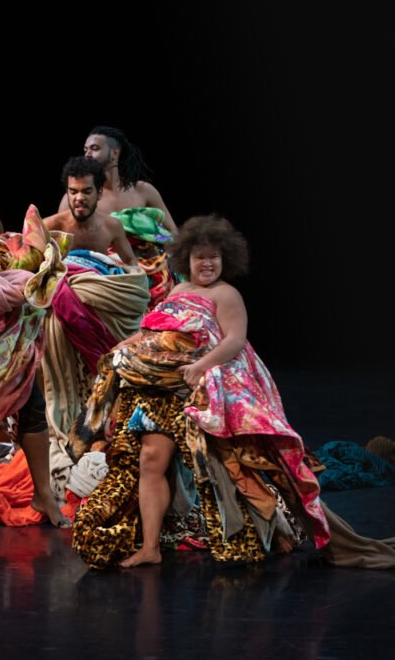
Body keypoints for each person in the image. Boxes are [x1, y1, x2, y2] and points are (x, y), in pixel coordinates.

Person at [71, 214, 329, 568]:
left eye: (213, 257)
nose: (207, 264)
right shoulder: (177, 291)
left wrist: (200, 366)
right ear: (186, 260)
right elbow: (152, 332)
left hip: (204, 391)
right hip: (161, 391)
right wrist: (120, 349)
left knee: (233, 467)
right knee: (150, 462)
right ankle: (150, 547)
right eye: (199, 257)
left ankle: (277, 530)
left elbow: (235, 341)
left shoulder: (226, 294)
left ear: (225, 259)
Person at [57, 125, 177, 235]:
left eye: (95, 148)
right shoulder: (75, 197)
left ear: (115, 153)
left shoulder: (144, 191)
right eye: (85, 150)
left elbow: (173, 233)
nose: (87, 154)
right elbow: (57, 240)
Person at [44, 156, 137, 266]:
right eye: (73, 192)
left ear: (99, 193)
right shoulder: (49, 226)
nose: (79, 198)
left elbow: (130, 261)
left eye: (87, 191)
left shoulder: (112, 226)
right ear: (67, 193)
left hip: (99, 280)